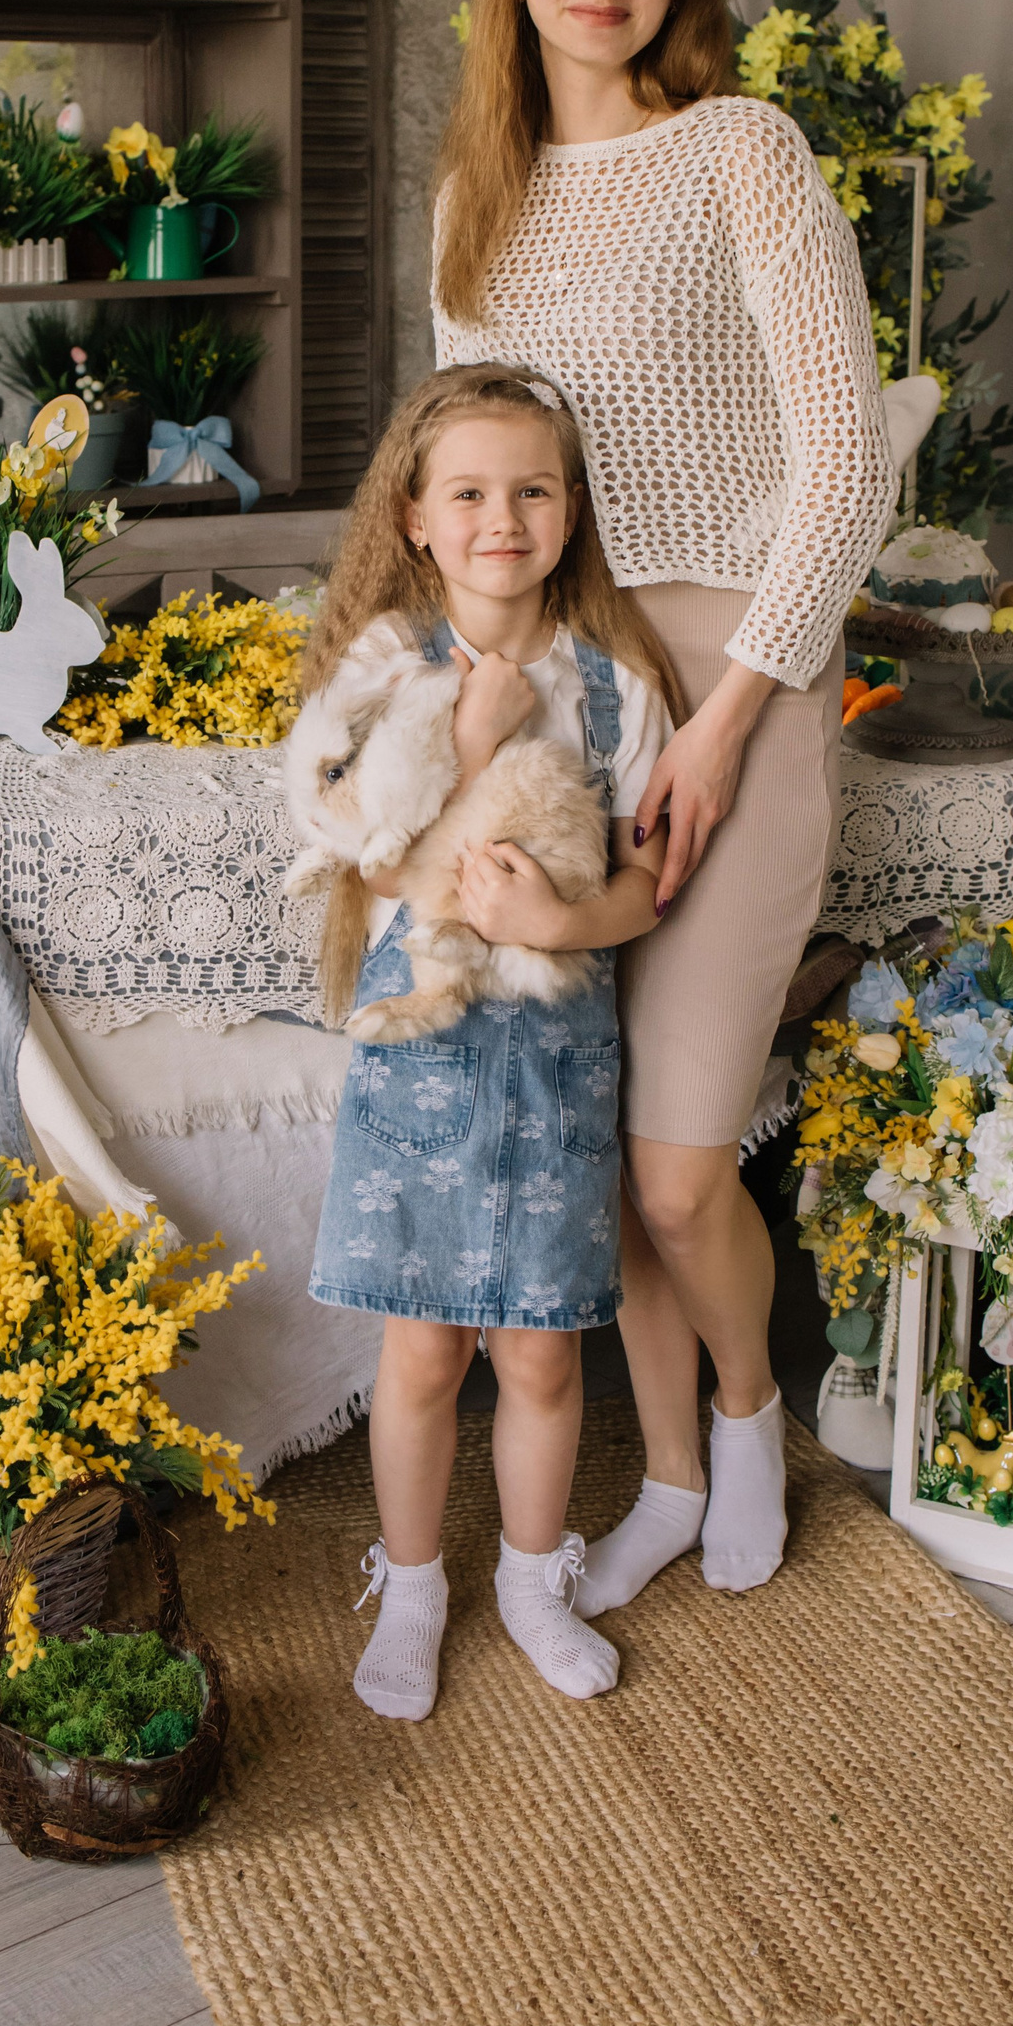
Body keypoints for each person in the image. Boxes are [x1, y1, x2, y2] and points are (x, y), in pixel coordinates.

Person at [433, 0, 895, 1614]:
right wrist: (463, 706)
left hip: (744, 684)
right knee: (593, 1159)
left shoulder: (742, 154)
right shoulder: (473, 198)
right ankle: (679, 1481)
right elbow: (467, 483)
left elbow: (846, 462)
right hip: (565, 694)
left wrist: (725, 722)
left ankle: (755, 1418)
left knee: (683, 1170)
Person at [301, 363, 678, 1719]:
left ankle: (531, 1581)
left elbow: (649, 880)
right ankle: (413, 1589)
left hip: (557, 1059)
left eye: (531, 491)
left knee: (540, 1351)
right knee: (424, 1353)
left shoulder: (617, 683)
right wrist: (466, 733)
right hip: (423, 1051)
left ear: (570, 511)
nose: (500, 520)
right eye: (467, 493)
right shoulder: (382, 666)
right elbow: (355, 846)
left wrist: (560, 922)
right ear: (414, 516)